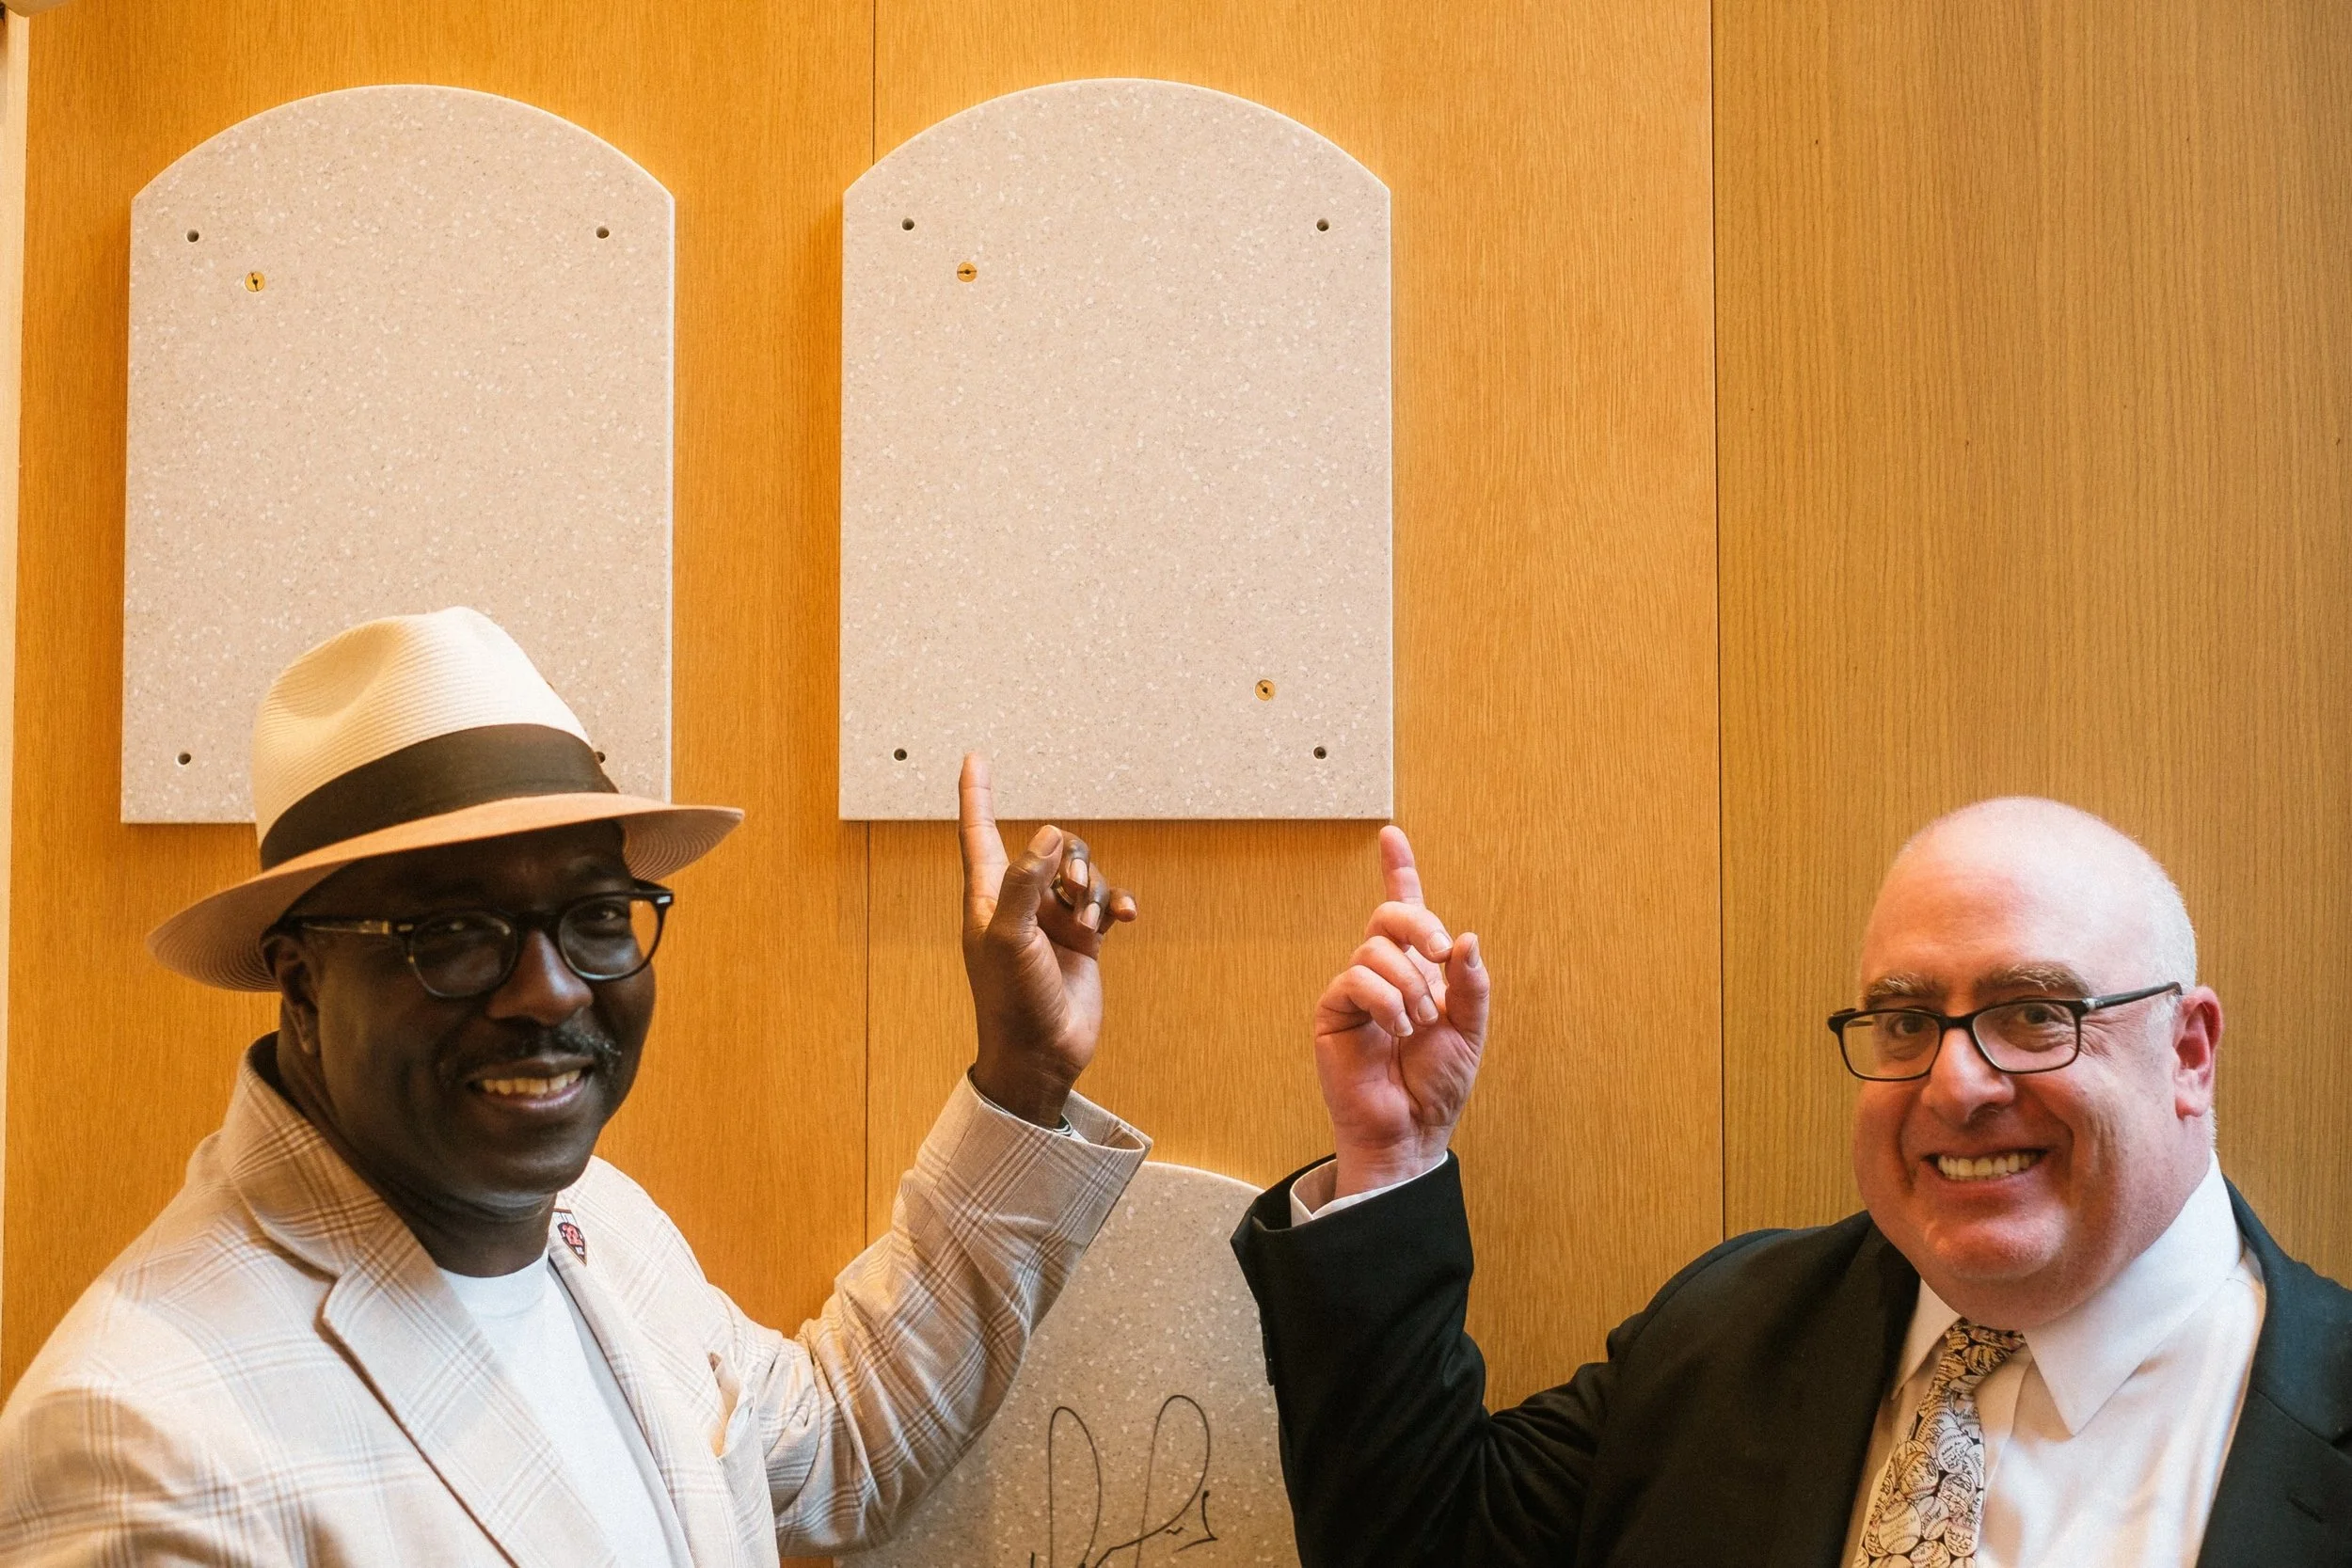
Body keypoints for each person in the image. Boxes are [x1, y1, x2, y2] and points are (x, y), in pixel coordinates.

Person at [0, 607, 1149, 1565]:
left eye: (597, 914)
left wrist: (1023, 1075)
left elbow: (835, 1447)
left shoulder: (592, 1219)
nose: (549, 988)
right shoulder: (141, 1441)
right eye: (455, 930)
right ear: (301, 981)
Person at [1232, 798, 2352, 1566]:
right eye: (1906, 1020)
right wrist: (1393, 1150)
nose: (1957, 1083)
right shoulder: (1728, 1328)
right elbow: (1421, 1542)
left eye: (2031, 1014)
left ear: (2188, 1053)